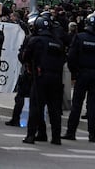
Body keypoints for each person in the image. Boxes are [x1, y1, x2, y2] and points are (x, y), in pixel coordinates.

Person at [62, 13, 95, 143]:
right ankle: (92, 134)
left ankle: (71, 132)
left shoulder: (79, 38)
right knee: (93, 106)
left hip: (82, 74)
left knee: (77, 104)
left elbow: (71, 57)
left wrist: (75, 73)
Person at [21, 16, 65, 145]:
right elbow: (63, 59)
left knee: (36, 107)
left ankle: (30, 136)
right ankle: (56, 137)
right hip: (56, 78)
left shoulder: (35, 40)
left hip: (40, 77)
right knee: (55, 109)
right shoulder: (58, 43)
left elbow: (25, 57)